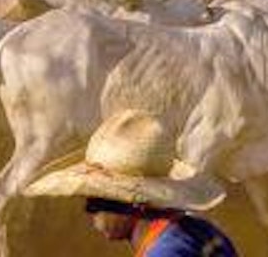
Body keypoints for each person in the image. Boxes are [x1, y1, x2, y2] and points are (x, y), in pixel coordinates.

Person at [25, 110, 238, 257]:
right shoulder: (200, 230)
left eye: (99, 200)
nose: (89, 210)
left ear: (137, 202)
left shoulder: (165, 252)